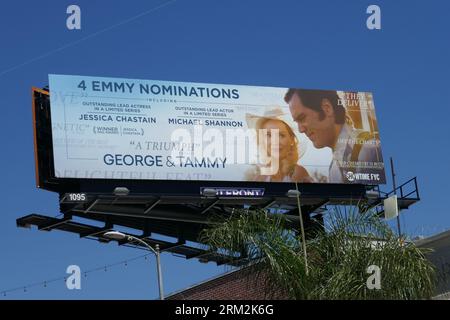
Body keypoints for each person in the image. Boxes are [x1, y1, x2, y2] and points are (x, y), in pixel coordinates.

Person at [284, 89, 383, 183]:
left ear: (327, 108)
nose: (301, 130)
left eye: (302, 118)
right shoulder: (333, 168)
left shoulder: (368, 149)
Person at [245, 108, 312, 183]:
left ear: (291, 140)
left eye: (281, 135)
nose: (275, 141)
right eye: (269, 135)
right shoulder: (260, 177)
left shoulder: (298, 173)